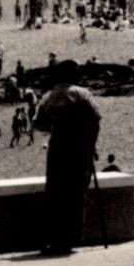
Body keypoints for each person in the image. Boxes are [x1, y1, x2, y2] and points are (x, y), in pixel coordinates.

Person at [32, 59, 101, 255]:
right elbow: (95, 120)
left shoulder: (49, 96)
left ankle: (55, 238)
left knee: (56, 191)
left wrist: (57, 126)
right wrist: (92, 143)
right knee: (76, 192)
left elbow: (38, 124)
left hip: (57, 147)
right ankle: (70, 238)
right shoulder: (82, 94)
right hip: (79, 147)